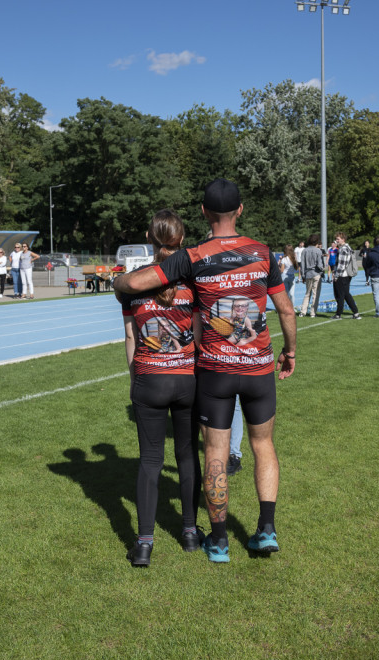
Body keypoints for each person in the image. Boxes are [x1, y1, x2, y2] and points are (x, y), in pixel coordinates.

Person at [114, 178, 297, 564]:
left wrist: (118, 281)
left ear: (203, 213)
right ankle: (265, 529)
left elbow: (136, 282)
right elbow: (285, 310)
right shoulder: (263, 252)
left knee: (213, 449)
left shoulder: (194, 256)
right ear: (241, 210)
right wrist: (290, 351)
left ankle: (217, 541)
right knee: (262, 445)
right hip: (258, 367)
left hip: (214, 370)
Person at [116, 208, 202, 567]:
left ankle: (144, 544)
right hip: (186, 380)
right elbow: (197, 335)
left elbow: (130, 338)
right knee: (186, 456)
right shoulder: (194, 282)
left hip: (149, 379)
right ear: (181, 241)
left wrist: (136, 379)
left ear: (149, 242)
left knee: (150, 461)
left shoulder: (132, 284)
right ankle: (189, 533)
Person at [331, 232, 361, 320]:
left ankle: (338, 314)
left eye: (338, 239)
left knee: (340, 295)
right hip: (346, 275)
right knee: (346, 294)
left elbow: (342, 265)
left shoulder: (343, 249)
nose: (336, 241)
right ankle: (356, 313)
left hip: (342, 275)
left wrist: (336, 275)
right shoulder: (347, 248)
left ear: (343, 239)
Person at [299, 233, 324, 318]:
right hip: (316, 273)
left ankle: (303, 312)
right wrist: (323, 269)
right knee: (315, 294)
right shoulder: (318, 251)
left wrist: (303, 275)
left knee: (307, 293)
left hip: (308, 274)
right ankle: (313, 312)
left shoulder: (304, 250)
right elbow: (320, 265)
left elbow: (302, 265)